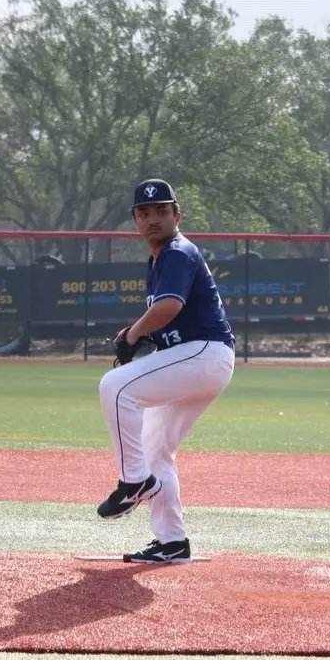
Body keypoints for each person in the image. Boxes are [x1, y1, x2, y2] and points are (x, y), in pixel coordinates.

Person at [95, 178, 236, 563]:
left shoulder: (176, 252)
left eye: (162, 211)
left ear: (177, 215)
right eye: (145, 212)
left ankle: (134, 483)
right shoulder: (162, 259)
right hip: (201, 359)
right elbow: (170, 321)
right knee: (155, 448)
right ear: (135, 220)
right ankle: (172, 541)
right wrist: (143, 340)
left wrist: (131, 334)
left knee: (116, 388)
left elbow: (168, 307)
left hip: (204, 353)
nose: (153, 218)